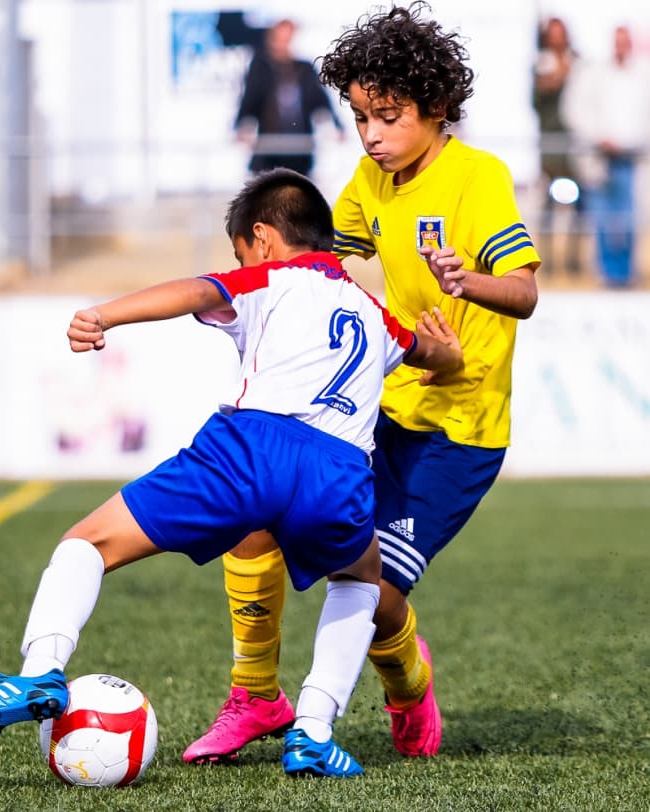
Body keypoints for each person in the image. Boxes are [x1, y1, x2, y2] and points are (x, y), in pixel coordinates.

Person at [0, 168, 464, 779]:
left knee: (87, 542)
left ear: (263, 240)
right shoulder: (374, 313)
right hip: (341, 469)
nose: (238, 261)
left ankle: (38, 676)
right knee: (361, 580)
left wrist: (104, 315)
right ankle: (315, 732)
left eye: (239, 251)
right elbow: (437, 357)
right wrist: (448, 356)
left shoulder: (269, 277)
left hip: (251, 448)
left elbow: (194, 292)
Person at [183, 2, 540, 766]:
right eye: (360, 117)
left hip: (459, 428)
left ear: (436, 107)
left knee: (372, 585)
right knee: (257, 516)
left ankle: (404, 687)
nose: (371, 134)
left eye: (387, 116)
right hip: (383, 406)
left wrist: (469, 282)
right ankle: (254, 695)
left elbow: (526, 293)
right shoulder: (368, 184)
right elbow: (322, 267)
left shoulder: (478, 178)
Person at [562, 24, 650, 288]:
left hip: (633, 157)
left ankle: (625, 274)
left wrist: (631, 141)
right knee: (602, 217)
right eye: (618, 40)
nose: (622, 45)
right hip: (600, 156)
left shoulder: (642, 73)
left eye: (627, 41)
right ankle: (607, 274)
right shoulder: (593, 72)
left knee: (629, 218)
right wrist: (599, 136)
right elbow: (574, 110)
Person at [235, 18, 345, 177]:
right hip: (268, 150)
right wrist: (242, 126)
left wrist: (337, 126)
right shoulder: (260, 68)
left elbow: (321, 100)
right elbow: (249, 99)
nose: (284, 44)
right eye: (280, 39)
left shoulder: (304, 69)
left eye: (288, 39)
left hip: (301, 151)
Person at [530, 16, 584, 274]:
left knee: (580, 206)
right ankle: (547, 261)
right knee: (550, 203)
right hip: (551, 145)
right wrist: (559, 76)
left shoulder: (578, 59)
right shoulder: (541, 62)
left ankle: (574, 261)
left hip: (577, 146)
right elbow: (536, 99)